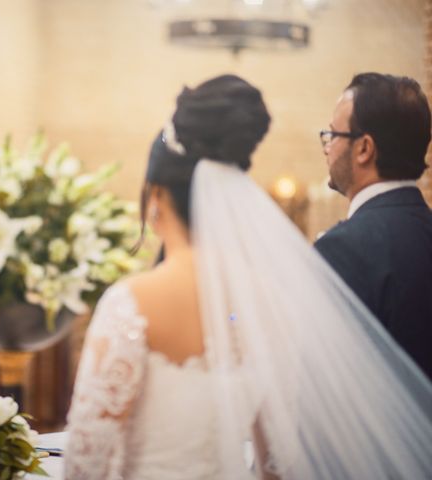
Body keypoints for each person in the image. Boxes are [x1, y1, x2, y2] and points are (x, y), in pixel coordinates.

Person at [64, 75, 432, 479]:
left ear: (156, 198)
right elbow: (274, 459)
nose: (326, 144)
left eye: (332, 133)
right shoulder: (266, 303)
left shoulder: (130, 304)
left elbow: (85, 464)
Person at [315, 73, 432, 380]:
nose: (327, 148)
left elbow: (326, 380)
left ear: (364, 148)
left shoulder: (344, 248)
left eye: (333, 135)